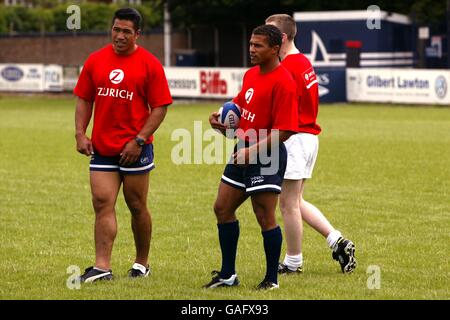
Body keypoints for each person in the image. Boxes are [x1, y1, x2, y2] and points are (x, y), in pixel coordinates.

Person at [73, 7, 172, 283]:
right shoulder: (95, 60)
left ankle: (142, 263)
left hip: (135, 149)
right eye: (116, 29)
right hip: (103, 147)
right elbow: (84, 98)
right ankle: (102, 266)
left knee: (136, 204)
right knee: (102, 202)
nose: (119, 35)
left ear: (137, 34)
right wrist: (80, 133)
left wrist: (139, 140)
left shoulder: (149, 64)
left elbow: (160, 107)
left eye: (126, 31)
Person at [206, 25, 299, 290]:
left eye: (258, 46)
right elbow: (240, 109)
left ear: (274, 48)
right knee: (222, 208)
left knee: (264, 215)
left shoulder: (284, 81)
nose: (251, 49)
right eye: (250, 44)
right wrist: (221, 122)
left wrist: (252, 150)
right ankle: (227, 275)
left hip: (266, 156)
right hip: (242, 151)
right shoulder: (250, 75)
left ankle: (271, 279)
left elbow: (285, 131)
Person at [265, 14, 356, 274]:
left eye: (268, 33)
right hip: (307, 137)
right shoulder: (302, 60)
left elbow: (280, 107)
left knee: (287, 204)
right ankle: (337, 240)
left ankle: (293, 262)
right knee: (295, 200)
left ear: (281, 37)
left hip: (295, 138)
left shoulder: (288, 67)